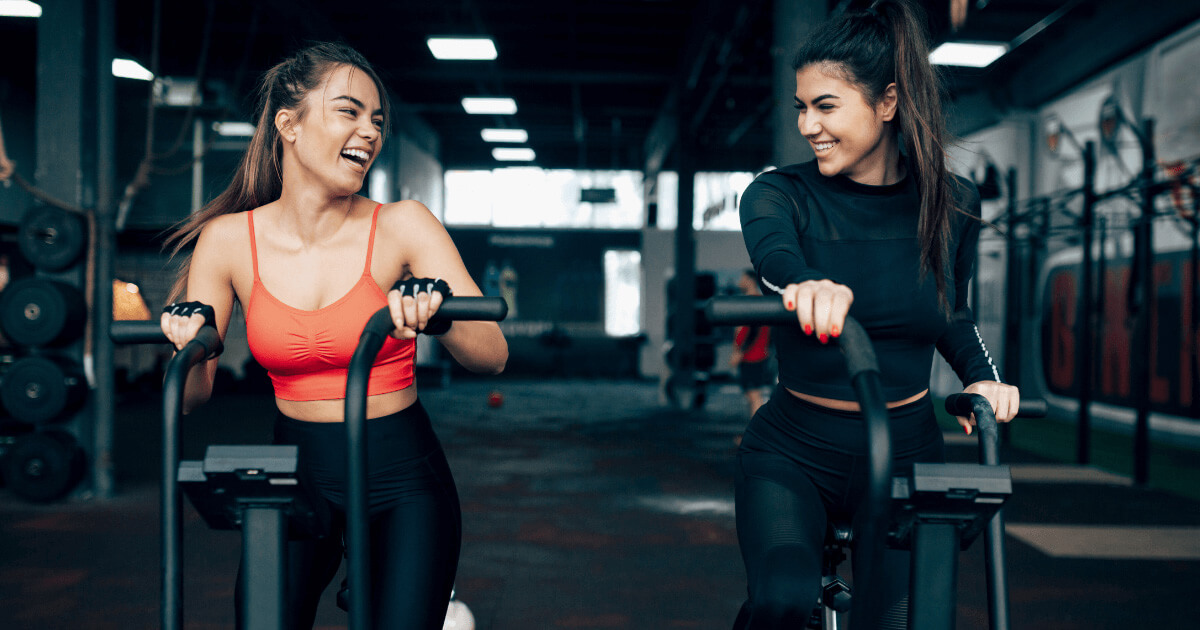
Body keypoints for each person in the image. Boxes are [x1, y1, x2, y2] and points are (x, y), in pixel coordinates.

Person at [160, 42, 507, 630]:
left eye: (377, 120)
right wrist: (187, 342)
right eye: (349, 111)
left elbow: (493, 356)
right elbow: (192, 397)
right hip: (295, 477)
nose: (369, 132)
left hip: (403, 481)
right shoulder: (228, 240)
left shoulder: (403, 225)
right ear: (288, 124)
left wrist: (439, 312)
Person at [732, 1, 1019, 627]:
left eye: (825, 105)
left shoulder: (951, 202)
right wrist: (804, 284)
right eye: (801, 107)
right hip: (793, 451)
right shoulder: (780, 192)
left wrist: (982, 375)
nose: (808, 124)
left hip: (906, 448)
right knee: (781, 601)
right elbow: (774, 252)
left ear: (887, 103)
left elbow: (951, 312)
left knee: (899, 620)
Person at [729, 269, 773, 418]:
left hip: (753, 356)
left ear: (750, 280)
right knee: (752, 396)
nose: (740, 282)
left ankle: (756, 436)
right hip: (751, 355)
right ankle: (754, 433)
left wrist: (740, 352)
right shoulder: (752, 301)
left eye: (742, 278)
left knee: (754, 396)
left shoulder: (754, 301)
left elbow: (754, 329)